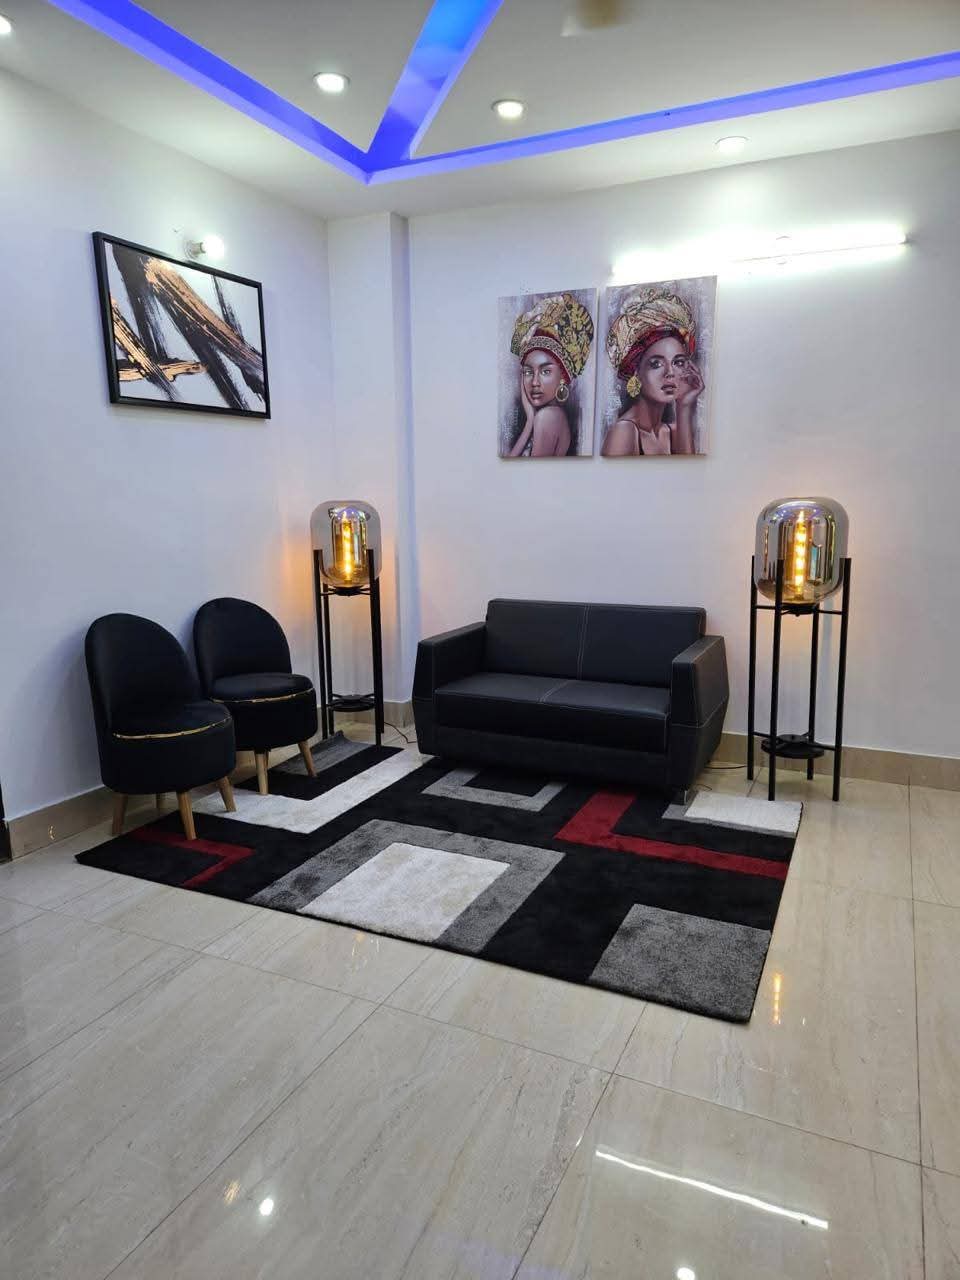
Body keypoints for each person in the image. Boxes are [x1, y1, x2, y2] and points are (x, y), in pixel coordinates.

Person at [601, 285, 704, 456]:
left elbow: (689, 471)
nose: (670, 373)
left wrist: (684, 406)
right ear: (636, 371)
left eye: (678, 362)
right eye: (656, 364)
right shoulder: (624, 431)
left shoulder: (672, 431)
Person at [506, 292, 594, 457]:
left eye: (545, 371)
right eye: (528, 372)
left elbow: (526, 472)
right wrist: (530, 420)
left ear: (563, 376)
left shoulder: (548, 416)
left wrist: (532, 420)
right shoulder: (549, 415)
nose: (535, 382)